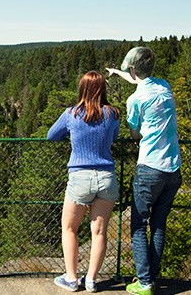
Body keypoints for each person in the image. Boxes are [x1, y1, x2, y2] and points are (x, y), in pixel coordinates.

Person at [107, 47, 182, 295]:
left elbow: (135, 133)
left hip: (150, 167)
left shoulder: (135, 100)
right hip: (173, 168)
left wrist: (138, 135)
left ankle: (144, 282)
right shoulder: (164, 86)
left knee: (139, 224)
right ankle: (153, 277)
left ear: (132, 68)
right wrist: (117, 72)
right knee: (158, 225)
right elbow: (139, 80)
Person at [48, 70, 120, 293]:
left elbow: (51, 135)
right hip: (107, 178)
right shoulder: (113, 114)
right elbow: (114, 137)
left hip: (80, 178)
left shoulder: (72, 114)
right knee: (98, 232)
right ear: (103, 90)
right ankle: (91, 280)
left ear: (82, 89)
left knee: (69, 228)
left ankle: (71, 278)